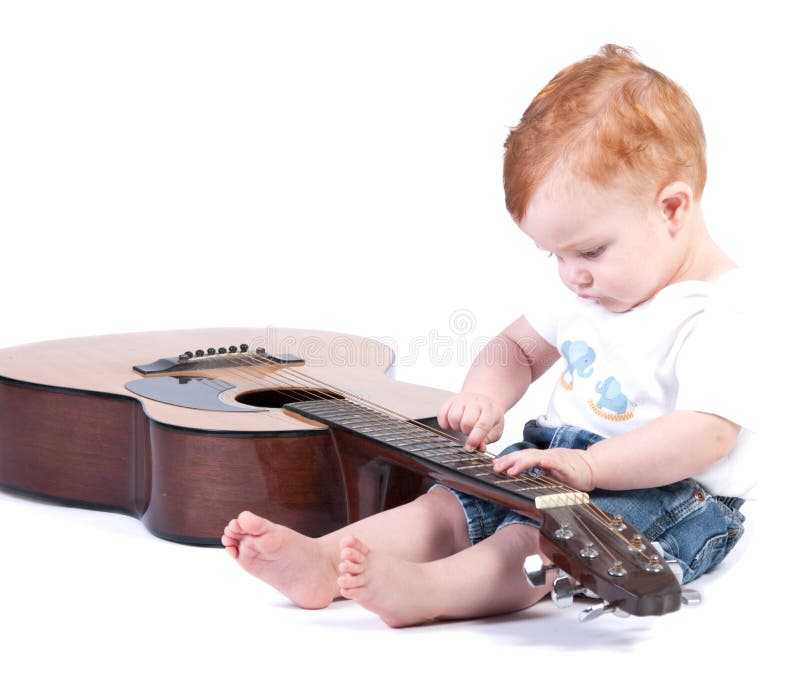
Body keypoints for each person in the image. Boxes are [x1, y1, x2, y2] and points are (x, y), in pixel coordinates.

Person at [221, 44, 756, 628]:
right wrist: (485, 395)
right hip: (555, 459)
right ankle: (323, 561)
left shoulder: (718, 315)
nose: (571, 274)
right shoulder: (588, 285)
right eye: (554, 254)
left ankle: (429, 591)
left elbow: (706, 435)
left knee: (532, 542)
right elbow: (517, 348)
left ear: (672, 208)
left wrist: (595, 468)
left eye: (590, 251)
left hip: (667, 493)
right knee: (448, 504)